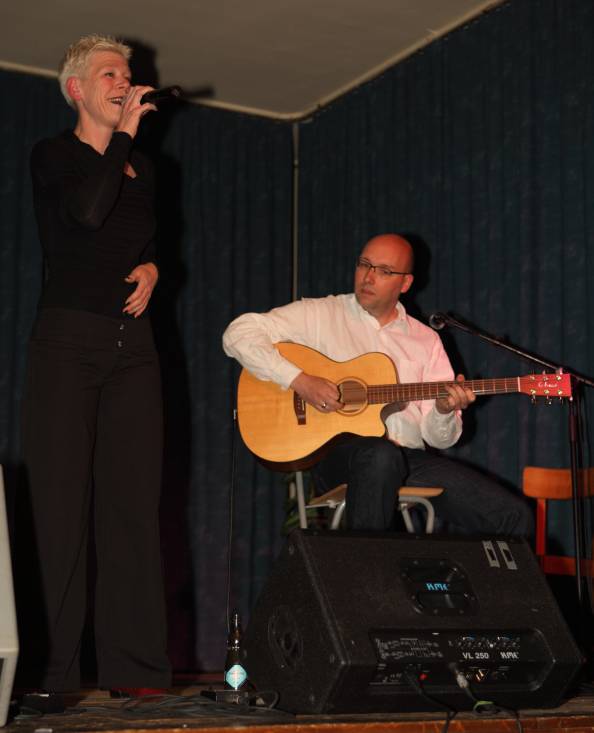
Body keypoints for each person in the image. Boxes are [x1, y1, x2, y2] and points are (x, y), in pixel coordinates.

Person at [22, 35, 171, 711]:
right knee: (58, 508)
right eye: (110, 73)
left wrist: (155, 267)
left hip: (131, 346)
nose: (125, 82)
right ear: (77, 89)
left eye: (128, 74)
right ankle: (49, 673)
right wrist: (124, 137)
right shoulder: (54, 156)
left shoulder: (146, 168)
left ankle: (135, 666)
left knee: (132, 504)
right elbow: (86, 214)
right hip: (67, 343)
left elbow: (142, 240)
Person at [223, 233, 533, 536]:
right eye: (364, 265)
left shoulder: (426, 340)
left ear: (405, 283)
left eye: (384, 271)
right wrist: (299, 380)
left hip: (408, 458)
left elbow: (439, 439)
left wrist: (443, 410)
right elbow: (238, 334)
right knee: (380, 455)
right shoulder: (321, 314)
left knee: (514, 516)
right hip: (337, 456)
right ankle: (365, 571)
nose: (368, 277)